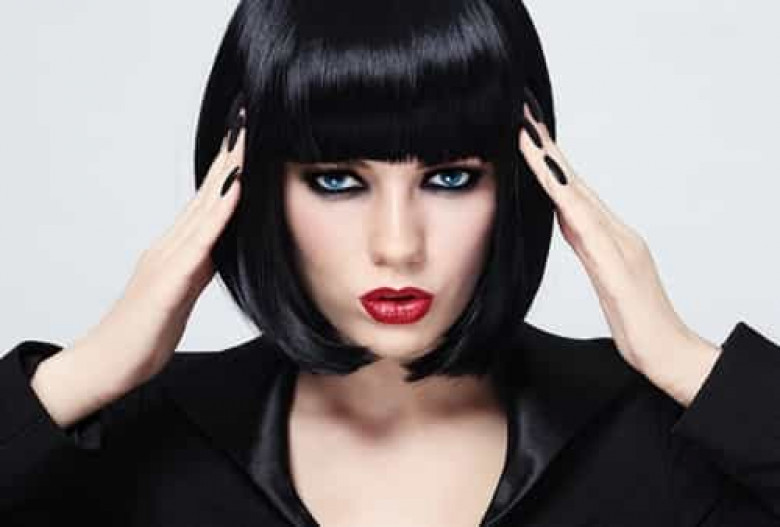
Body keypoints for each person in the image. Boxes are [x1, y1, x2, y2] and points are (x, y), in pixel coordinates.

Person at [1, 0, 779, 525]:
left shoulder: (651, 436)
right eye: (338, 180)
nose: (399, 244)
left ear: (522, 181)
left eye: (450, 178)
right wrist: (84, 373)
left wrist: (685, 361)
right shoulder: (137, 443)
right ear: (247, 186)